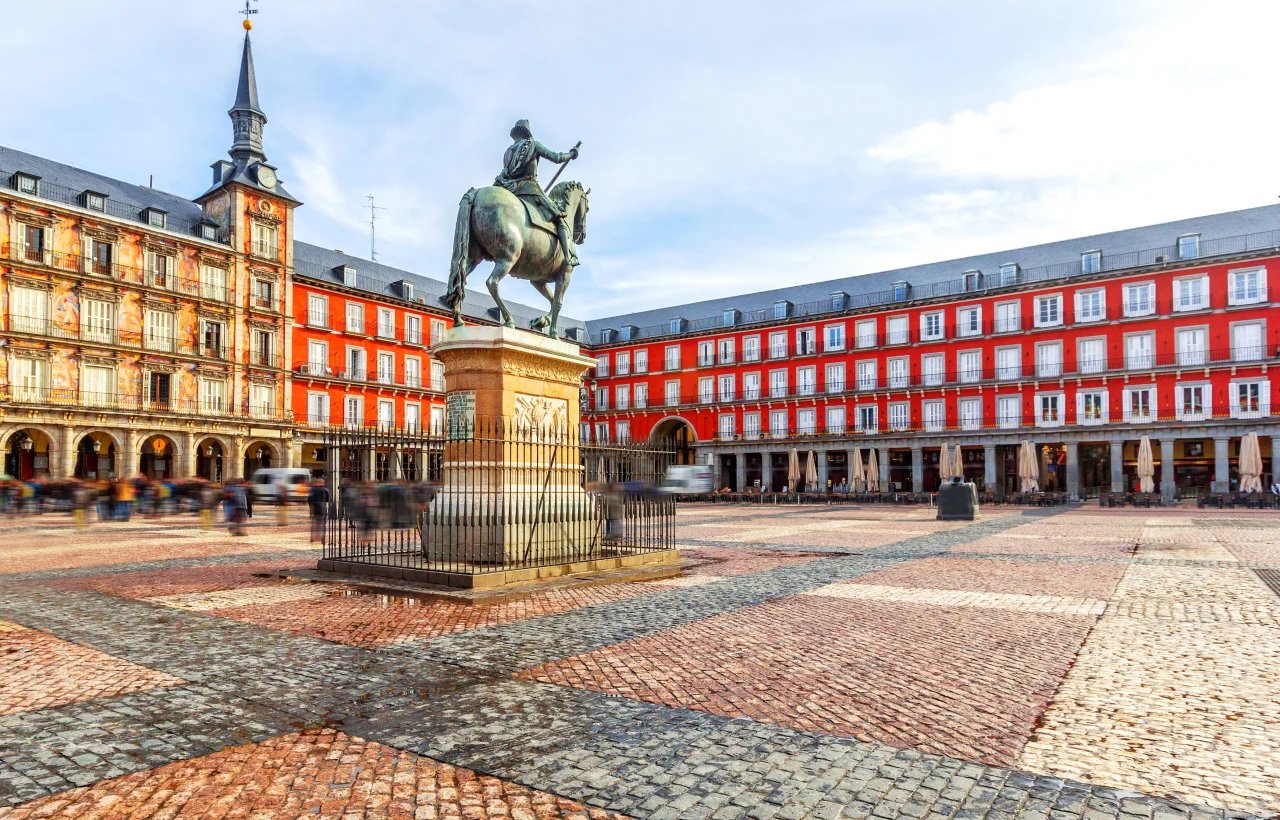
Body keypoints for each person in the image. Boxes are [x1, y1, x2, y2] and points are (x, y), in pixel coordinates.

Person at [494, 119, 581, 268]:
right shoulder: (533, 144)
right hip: (529, 188)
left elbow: (509, 174)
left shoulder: (507, 152)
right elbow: (557, 158)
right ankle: (568, 257)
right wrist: (572, 154)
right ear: (527, 132)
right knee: (560, 217)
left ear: (515, 134)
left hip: (511, 190)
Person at [307, 478, 330, 544]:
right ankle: (323, 539)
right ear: (322, 483)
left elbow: (309, 500)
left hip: (314, 507)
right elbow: (328, 499)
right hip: (322, 507)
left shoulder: (312, 490)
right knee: (323, 524)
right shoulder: (325, 490)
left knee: (314, 524)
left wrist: (311, 510)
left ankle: (312, 538)